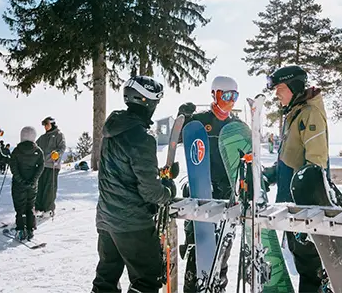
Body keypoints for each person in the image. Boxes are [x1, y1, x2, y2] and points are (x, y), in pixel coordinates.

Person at [92, 75, 176, 293]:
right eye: (156, 103)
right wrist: (167, 191)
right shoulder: (142, 136)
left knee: (106, 278)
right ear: (147, 102)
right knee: (146, 281)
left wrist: (158, 176)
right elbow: (149, 191)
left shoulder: (113, 129)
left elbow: (123, 172)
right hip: (131, 223)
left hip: (106, 219)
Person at [262, 65, 329, 292]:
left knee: (310, 265)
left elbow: (314, 166)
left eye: (280, 88)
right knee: (302, 261)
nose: (276, 94)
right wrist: (270, 174)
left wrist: (307, 214)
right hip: (291, 203)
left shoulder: (310, 114)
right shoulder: (295, 114)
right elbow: (290, 156)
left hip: (305, 206)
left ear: (294, 86)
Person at [177, 75, 244, 293]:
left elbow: (247, 156)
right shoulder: (199, 121)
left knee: (222, 248)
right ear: (215, 95)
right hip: (201, 190)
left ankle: (217, 287)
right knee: (199, 245)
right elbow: (179, 138)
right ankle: (192, 286)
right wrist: (182, 119)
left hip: (227, 194)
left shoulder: (236, 126)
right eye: (226, 95)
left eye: (234, 96)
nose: (231, 101)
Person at [9, 126, 45, 241]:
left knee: (20, 207)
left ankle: (20, 229)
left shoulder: (16, 151)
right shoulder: (38, 151)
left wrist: (21, 181)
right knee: (30, 206)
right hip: (32, 185)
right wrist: (33, 180)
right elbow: (41, 166)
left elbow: (13, 168)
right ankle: (30, 229)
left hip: (19, 184)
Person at [35, 116, 66, 217]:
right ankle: (38, 208)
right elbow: (35, 146)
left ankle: (49, 209)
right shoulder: (42, 138)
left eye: (47, 124)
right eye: (44, 125)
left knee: (50, 187)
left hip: (52, 165)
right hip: (42, 165)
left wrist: (57, 154)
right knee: (40, 186)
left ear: (52, 124)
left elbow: (62, 147)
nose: (45, 127)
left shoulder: (58, 135)